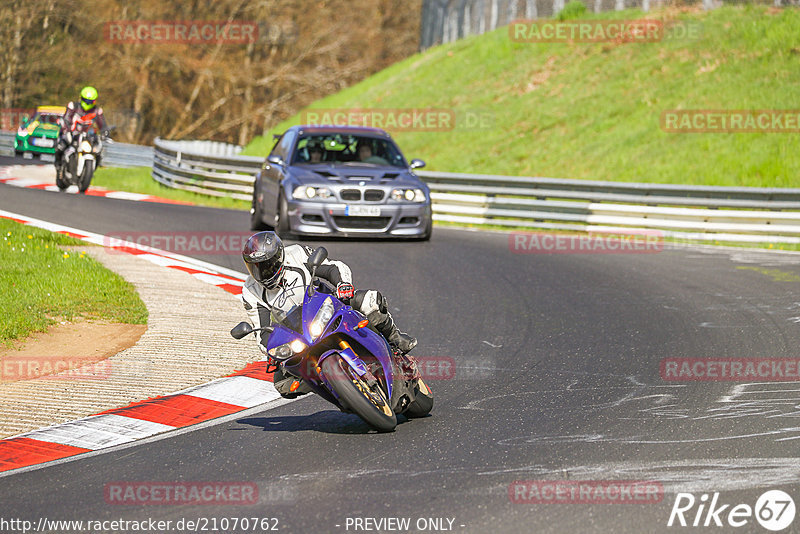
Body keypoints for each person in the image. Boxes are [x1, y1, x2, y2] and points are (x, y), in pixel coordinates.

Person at [240, 231, 417, 398]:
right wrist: (273, 353)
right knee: (282, 384)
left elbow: (333, 267)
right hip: (298, 335)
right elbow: (261, 333)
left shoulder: (296, 253)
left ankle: (395, 340)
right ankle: (334, 387)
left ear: (279, 257)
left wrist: (343, 285)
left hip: (328, 306)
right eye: (255, 267)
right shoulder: (250, 291)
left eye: (267, 265)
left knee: (370, 301)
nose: (263, 272)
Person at [54, 86, 108, 170]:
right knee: (61, 146)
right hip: (72, 133)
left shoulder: (97, 110)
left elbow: (102, 124)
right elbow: (67, 119)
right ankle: (58, 164)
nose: (88, 103)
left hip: (88, 136)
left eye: (91, 101)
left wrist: (105, 132)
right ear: (81, 98)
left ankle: (94, 167)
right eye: (86, 100)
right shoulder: (73, 106)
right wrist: (67, 129)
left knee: (98, 150)